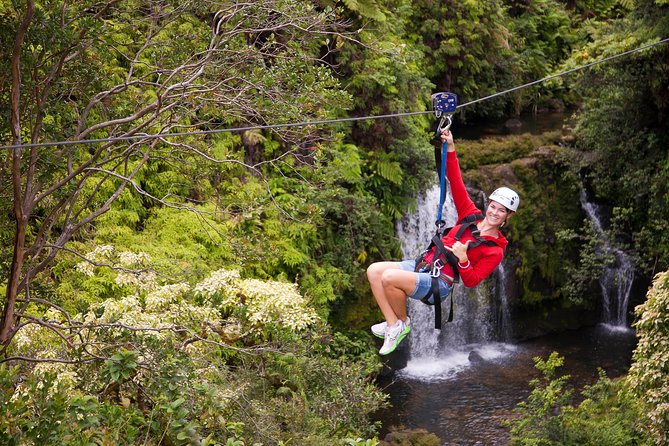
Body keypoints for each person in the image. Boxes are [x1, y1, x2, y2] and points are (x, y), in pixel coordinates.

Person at [366, 128, 519, 355]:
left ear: (508, 216)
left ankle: (403, 323)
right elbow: (456, 181)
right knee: (374, 270)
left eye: (501, 211)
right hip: (425, 264)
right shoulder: (470, 215)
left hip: (441, 281)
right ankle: (393, 324)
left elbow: (472, 281)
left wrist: (464, 259)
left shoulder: (494, 251)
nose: (494, 212)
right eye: (493, 206)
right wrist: (451, 147)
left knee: (389, 278)